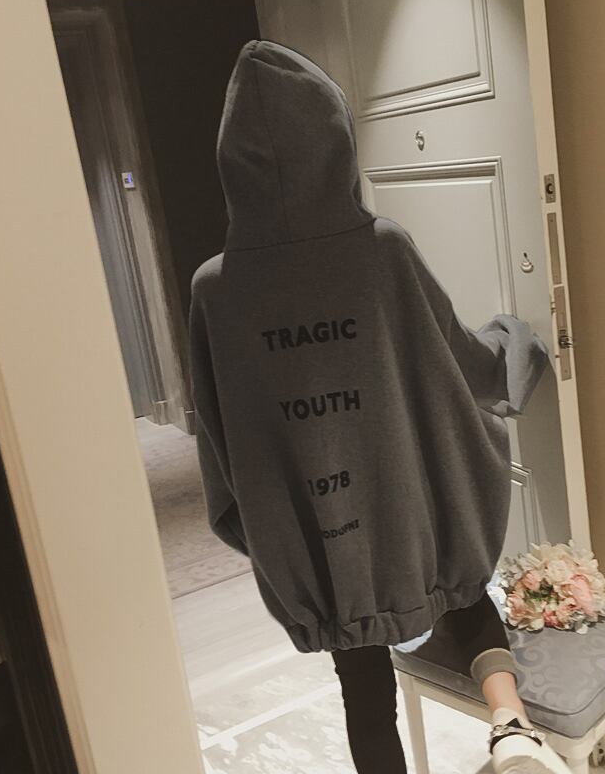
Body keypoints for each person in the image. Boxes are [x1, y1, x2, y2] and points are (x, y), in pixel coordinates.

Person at [189, 39, 571, 774]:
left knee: (361, 683)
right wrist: (513, 345)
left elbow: (220, 438)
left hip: (317, 531)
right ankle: (512, 729)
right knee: (465, 596)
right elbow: (454, 361)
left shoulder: (215, 288)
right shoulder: (383, 249)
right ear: (334, 138)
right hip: (407, 503)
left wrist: (268, 533)